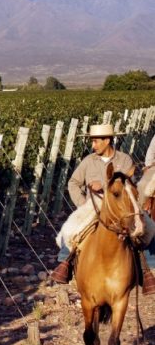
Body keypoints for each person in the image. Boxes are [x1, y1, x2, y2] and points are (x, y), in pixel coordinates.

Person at [52, 123, 155, 294]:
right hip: (94, 206)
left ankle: (148, 269)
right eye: (92, 142)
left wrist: (105, 187)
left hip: (120, 206)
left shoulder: (124, 160)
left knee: (148, 228)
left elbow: (130, 186)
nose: (93, 145)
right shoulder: (88, 162)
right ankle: (66, 262)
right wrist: (82, 202)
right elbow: (73, 183)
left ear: (107, 140)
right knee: (72, 229)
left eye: (96, 141)